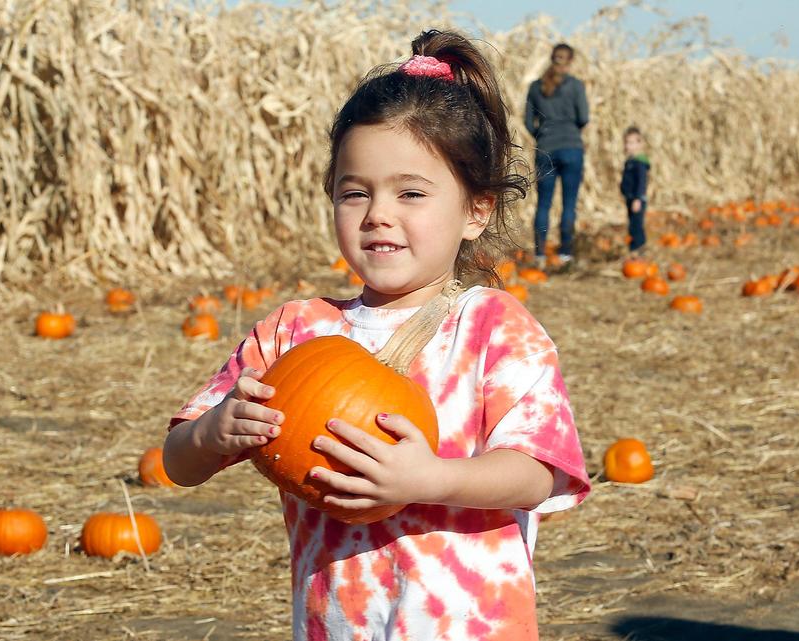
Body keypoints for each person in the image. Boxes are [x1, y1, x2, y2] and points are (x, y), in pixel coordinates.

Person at [163, 29, 589, 641]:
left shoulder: (495, 328)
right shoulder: (293, 332)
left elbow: (538, 473)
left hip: (469, 623)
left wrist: (431, 479)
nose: (378, 214)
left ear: (476, 211)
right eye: (354, 192)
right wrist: (213, 431)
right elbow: (178, 463)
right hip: (337, 623)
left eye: (410, 193)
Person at [524, 43, 589, 269]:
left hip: (546, 149)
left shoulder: (536, 87)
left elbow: (528, 122)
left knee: (544, 203)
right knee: (569, 203)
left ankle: (540, 255)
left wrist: (542, 136)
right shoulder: (576, 86)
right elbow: (583, 117)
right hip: (572, 147)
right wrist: (570, 131)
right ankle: (565, 254)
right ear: (569, 62)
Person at [620, 126, 651, 254]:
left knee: (636, 225)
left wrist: (638, 198)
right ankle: (636, 249)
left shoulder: (640, 163)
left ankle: (638, 249)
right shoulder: (630, 161)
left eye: (632, 143)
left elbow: (641, 183)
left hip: (637, 199)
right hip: (630, 198)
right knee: (632, 224)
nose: (628, 146)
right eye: (627, 142)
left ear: (640, 144)